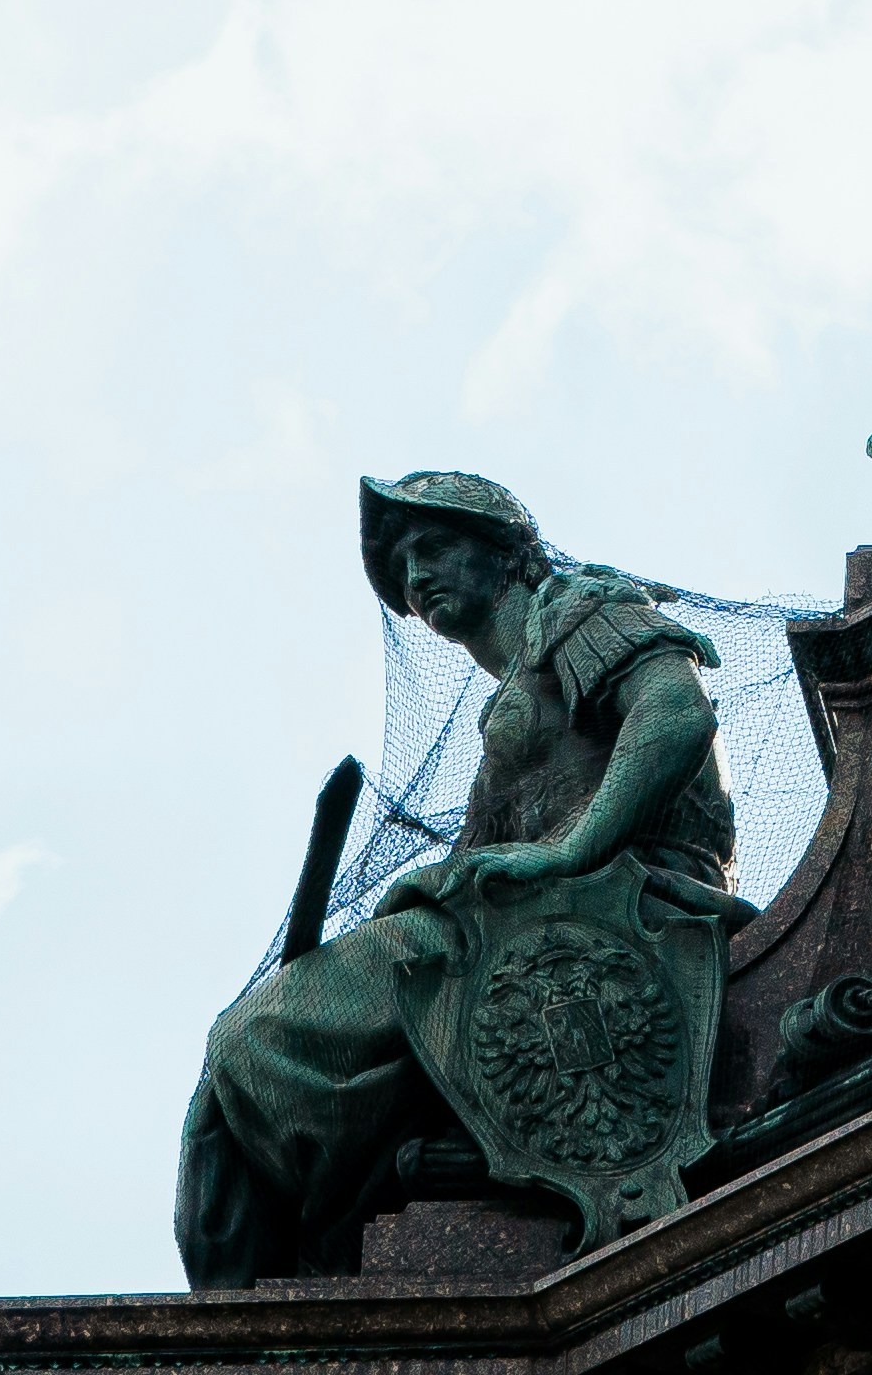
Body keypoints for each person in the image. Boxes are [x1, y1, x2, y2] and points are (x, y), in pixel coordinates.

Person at [174, 473, 738, 1285]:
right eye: (401, 567)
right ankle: (295, 1264)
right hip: (526, 920)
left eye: (433, 548)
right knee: (235, 1062)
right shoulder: (508, 706)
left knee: (254, 1042)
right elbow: (483, 859)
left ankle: (318, 1237)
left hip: (626, 902)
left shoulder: (578, 610)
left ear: (506, 552)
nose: (415, 579)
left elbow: (675, 711)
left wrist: (570, 849)